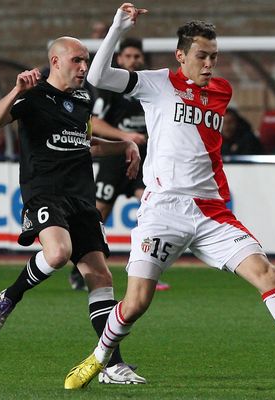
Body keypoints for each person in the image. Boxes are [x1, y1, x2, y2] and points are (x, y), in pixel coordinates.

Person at [64, 3, 275, 390]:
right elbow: (100, 75)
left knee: (267, 274)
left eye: (214, 57)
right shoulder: (157, 83)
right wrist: (118, 27)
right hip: (164, 209)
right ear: (181, 56)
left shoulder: (222, 90)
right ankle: (100, 358)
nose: (209, 64)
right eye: (201, 56)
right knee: (136, 302)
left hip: (211, 211)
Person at [0, 36, 147, 385]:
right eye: (77, 60)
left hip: (81, 198)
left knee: (101, 278)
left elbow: (87, 145)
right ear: (55, 62)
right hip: (45, 193)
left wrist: (125, 144)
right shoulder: (33, 96)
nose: (84, 67)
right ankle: (11, 295)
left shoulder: (84, 99)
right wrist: (15, 92)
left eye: (86, 61)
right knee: (58, 254)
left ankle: (111, 364)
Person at [67, 37, 170, 292]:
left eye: (137, 57)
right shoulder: (112, 87)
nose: (133, 61)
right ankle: (80, 270)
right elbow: (95, 122)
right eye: (128, 57)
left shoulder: (150, 87)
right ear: (120, 59)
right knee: (98, 215)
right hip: (115, 159)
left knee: (152, 210)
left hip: (143, 160)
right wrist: (126, 137)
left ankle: (147, 273)